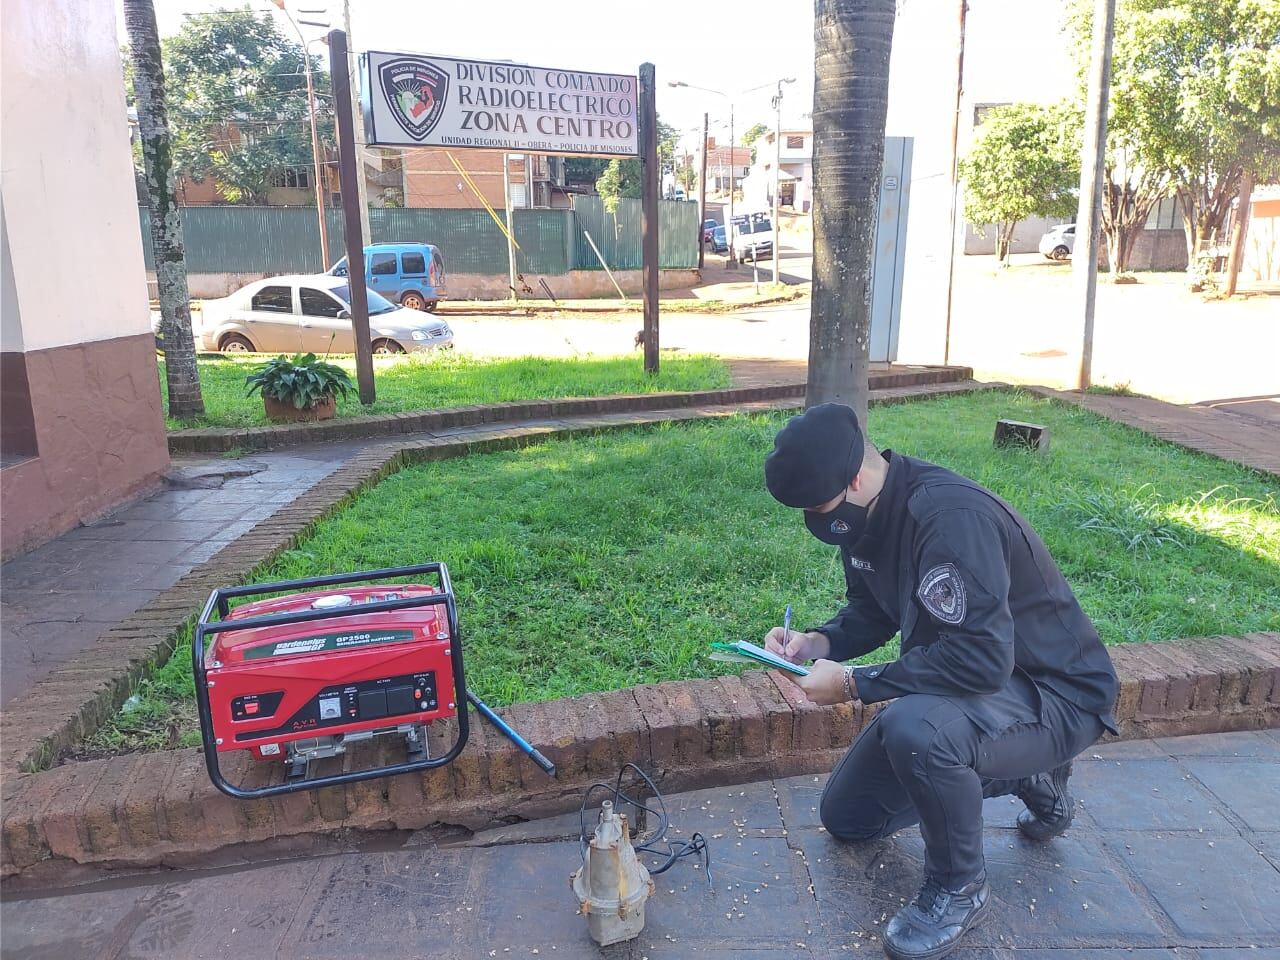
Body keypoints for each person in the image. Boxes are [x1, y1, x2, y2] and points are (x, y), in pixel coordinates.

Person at [762, 402, 1118, 960]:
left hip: (1056, 694)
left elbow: (980, 661)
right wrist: (818, 642)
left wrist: (854, 683)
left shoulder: (950, 521)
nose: (814, 518)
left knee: (916, 729)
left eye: (817, 505)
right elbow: (873, 608)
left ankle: (959, 889)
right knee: (849, 818)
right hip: (976, 691)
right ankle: (1028, 776)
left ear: (854, 476)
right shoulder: (866, 513)